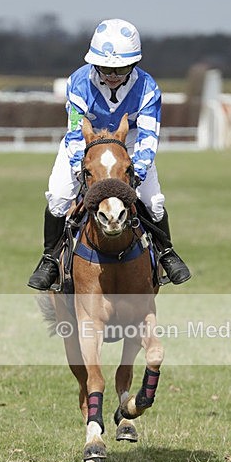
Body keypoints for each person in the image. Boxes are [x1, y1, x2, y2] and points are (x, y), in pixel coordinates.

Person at [28, 18, 191, 290]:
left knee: (153, 201)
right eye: (106, 67)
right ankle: (49, 259)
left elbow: (149, 137)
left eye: (121, 67)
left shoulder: (149, 88)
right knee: (57, 197)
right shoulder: (78, 82)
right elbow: (74, 131)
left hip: (131, 144)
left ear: (134, 64)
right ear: (95, 63)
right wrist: (82, 169)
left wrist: (135, 173)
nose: (113, 74)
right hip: (86, 144)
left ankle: (166, 252)